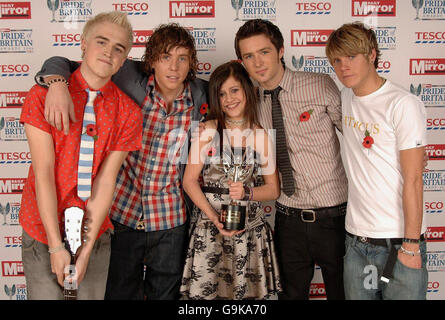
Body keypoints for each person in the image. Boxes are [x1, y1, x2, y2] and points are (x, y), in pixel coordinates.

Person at [33, 23, 208, 300]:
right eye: (165, 57)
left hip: (170, 220)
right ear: (151, 61)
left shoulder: (201, 96)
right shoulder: (127, 77)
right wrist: (55, 82)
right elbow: (65, 63)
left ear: (191, 64)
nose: (173, 67)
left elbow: (237, 91)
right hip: (123, 215)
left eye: (182, 58)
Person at [19, 11, 142, 300]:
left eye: (119, 48)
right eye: (102, 42)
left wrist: (85, 250)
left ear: (124, 60)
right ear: (83, 43)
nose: (108, 52)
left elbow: (106, 180)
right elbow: (44, 173)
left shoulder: (128, 112)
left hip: (94, 231)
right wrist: (55, 246)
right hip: (41, 228)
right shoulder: (42, 95)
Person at [233, 19, 348, 300]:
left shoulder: (319, 85)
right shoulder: (248, 101)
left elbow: (358, 135)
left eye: (264, 52)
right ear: (241, 61)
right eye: (249, 56)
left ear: (281, 50)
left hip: (335, 216)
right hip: (288, 218)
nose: (258, 62)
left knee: (344, 294)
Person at [325, 22, 428, 300]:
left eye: (351, 56)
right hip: (356, 243)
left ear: (371, 55)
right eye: (337, 60)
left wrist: (410, 245)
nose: (343, 66)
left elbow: (415, 178)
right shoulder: (345, 96)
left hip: (397, 243)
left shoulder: (402, 103)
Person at [180, 61, 281, 300]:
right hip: (209, 229)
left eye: (234, 90)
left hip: (250, 234)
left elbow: (273, 190)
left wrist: (248, 193)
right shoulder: (207, 131)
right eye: (221, 93)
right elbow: (189, 181)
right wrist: (214, 218)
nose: (228, 99)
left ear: (247, 89)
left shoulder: (261, 135)